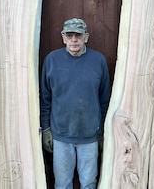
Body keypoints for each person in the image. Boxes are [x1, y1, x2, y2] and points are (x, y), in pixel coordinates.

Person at [40, 18, 111, 189]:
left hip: (90, 135)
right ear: (63, 37)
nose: (74, 40)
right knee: (63, 184)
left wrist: (102, 131)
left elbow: (105, 99)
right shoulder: (52, 60)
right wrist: (46, 129)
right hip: (61, 134)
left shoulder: (98, 61)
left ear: (86, 37)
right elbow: (45, 98)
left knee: (88, 183)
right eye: (69, 35)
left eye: (78, 35)